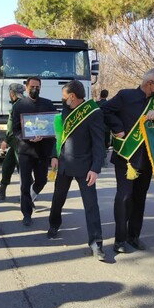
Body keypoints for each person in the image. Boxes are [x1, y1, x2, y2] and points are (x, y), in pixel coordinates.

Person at [101, 68, 154, 253]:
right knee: (124, 197)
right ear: (149, 83)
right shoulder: (126, 96)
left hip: (147, 158)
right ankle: (120, 239)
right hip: (127, 157)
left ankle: (134, 236)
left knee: (139, 199)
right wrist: (117, 128)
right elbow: (105, 110)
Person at [47, 80, 107, 261]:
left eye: (64, 97)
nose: (63, 100)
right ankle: (54, 224)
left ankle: (96, 243)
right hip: (65, 163)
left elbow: (99, 143)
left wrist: (95, 169)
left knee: (91, 205)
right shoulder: (66, 111)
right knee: (58, 198)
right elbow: (59, 136)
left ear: (72, 96)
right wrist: (54, 155)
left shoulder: (94, 113)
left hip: (85, 167)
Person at [12, 77, 57, 226]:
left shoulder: (48, 104)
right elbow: (15, 130)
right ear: (26, 87)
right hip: (25, 151)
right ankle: (26, 214)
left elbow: (55, 128)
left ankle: (30, 198)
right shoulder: (19, 106)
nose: (35, 89)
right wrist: (27, 138)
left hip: (43, 152)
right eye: (32, 86)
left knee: (41, 180)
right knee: (25, 184)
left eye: (38, 87)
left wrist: (54, 154)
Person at [0, 83, 25, 200]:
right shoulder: (21, 103)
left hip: (18, 141)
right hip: (15, 141)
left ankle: (28, 194)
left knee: (22, 167)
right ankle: (2, 189)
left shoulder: (18, 105)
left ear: (12, 93)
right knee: (7, 164)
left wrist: (5, 140)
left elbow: (12, 125)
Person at [97, 89, 111, 166]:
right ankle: (104, 159)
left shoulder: (96, 104)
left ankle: (99, 159)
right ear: (107, 95)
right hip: (106, 127)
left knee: (99, 143)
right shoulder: (109, 103)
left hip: (98, 127)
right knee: (105, 144)